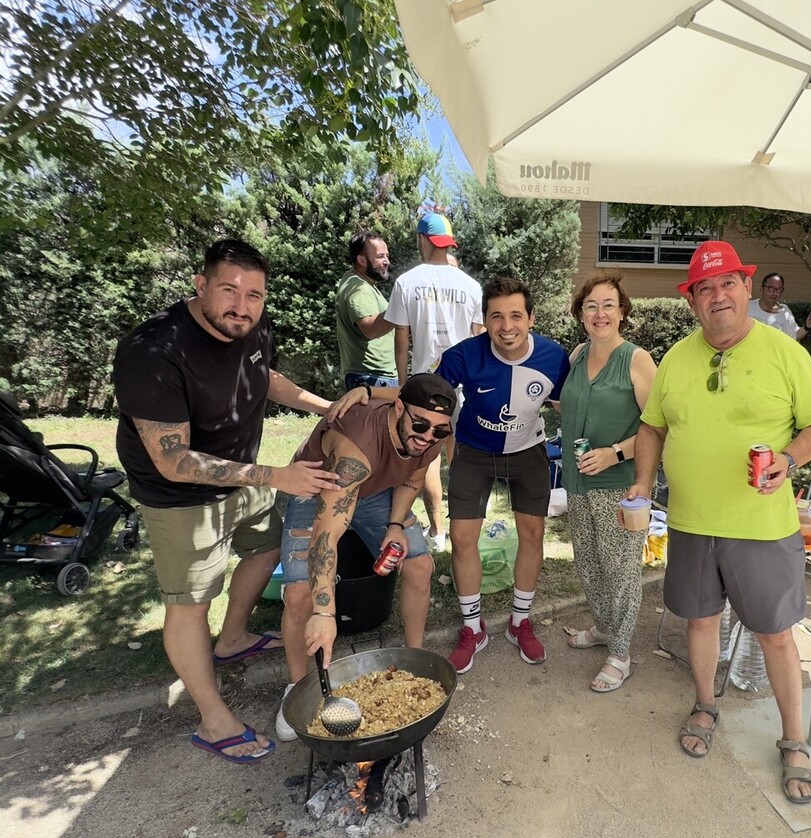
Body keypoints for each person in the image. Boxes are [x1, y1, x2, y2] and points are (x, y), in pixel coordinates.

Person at [625, 241, 811, 804]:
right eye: (704, 288)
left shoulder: (786, 352)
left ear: (746, 289)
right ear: (691, 299)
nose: (717, 296)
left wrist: (789, 460)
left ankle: (794, 741)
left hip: (763, 527)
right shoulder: (675, 358)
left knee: (775, 635)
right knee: (700, 622)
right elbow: (652, 427)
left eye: (727, 284)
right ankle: (705, 703)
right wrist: (643, 485)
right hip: (692, 523)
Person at [113, 239, 339, 763]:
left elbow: (265, 379)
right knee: (190, 603)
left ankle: (233, 638)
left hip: (249, 477)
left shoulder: (252, 326)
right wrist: (275, 475)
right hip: (179, 498)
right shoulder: (153, 351)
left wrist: (330, 408)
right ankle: (214, 721)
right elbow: (174, 460)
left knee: (265, 551)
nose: (242, 305)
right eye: (229, 290)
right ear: (200, 285)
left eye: (255, 295)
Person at [274, 373, 457, 740]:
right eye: (420, 425)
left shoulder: (433, 434)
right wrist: (325, 612)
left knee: (420, 563)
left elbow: (411, 478)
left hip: (376, 493)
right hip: (318, 486)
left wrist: (394, 525)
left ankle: (414, 660)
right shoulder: (356, 445)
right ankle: (298, 690)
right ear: (399, 408)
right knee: (299, 595)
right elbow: (326, 538)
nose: (428, 436)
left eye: (439, 430)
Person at [437, 275, 570, 674]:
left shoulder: (553, 356)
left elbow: (572, 406)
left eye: (516, 315)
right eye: (497, 316)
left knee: (532, 534)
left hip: (528, 450)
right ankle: (472, 628)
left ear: (531, 318)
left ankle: (520, 621)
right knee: (462, 539)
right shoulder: (463, 354)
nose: (506, 326)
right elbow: (428, 397)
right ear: (484, 320)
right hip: (474, 452)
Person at [560, 271, 656, 692]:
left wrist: (615, 452)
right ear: (581, 314)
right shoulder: (578, 354)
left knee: (620, 570)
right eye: (591, 306)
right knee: (589, 561)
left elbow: (658, 426)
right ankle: (603, 627)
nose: (600, 313)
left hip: (620, 485)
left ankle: (621, 653)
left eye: (608, 305)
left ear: (622, 313)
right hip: (577, 483)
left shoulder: (636, 359)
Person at [384, 212, 484, 550]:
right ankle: (463, 529)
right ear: (448, 243)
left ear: (421, 240)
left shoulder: (406, 282)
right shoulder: (471, 286)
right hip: (464, 385)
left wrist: (403, 384)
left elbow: (401, 339)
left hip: (425, 383)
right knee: (462, 457)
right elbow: (479, 339)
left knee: (427, 456)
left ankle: (438, 531)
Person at [335, 231, 398, 390]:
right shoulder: (358, 288)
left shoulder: (363, 284)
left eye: (387, 256)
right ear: (361, 260)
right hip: (372, 377)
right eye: (380, 256)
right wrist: (401, 308)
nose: (386, 261)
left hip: (374, 376)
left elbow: (385, 325)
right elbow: (370, 328)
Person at [749, 273, 811, 341]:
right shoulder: (748, 307)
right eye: (771, 288)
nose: (775, 293)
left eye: (779, 289)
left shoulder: (784, 311)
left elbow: (794, 336)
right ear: (762, 288)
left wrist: (807, 326)